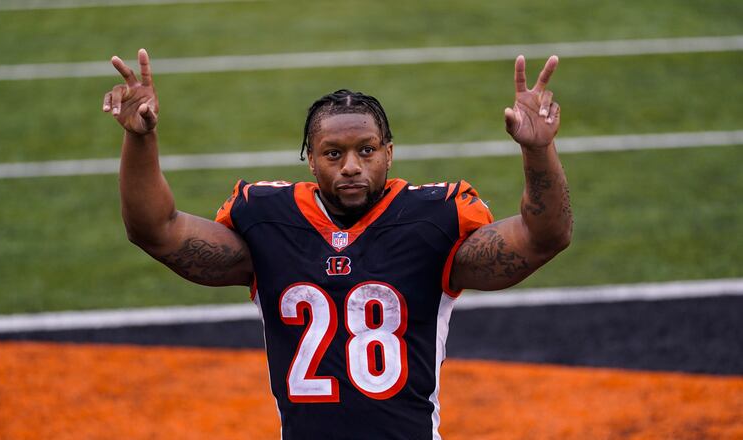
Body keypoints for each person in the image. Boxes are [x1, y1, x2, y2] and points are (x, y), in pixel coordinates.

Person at [102, 48, 572, 440]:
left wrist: (538, 149)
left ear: (388, 152)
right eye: (333, 153)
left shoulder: (432, 221)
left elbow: (542, 238)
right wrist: (141, 139)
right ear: (311, 161)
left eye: (366, 150)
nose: (351, 165)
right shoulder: (270, 220)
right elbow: (156, 231)